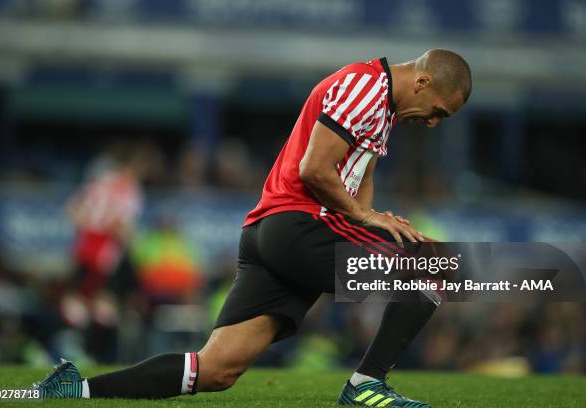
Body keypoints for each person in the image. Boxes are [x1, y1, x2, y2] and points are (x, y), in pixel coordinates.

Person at [34, 49, 471, 407]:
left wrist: (374, 220)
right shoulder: (364, 86)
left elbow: (360, 177)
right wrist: (365, 219)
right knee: (436, 265)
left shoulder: (382, 106)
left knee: (217, 369)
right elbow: (315, 170)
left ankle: (77, 389)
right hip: (299, 223)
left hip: (272, 231)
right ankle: (365, 385)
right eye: (437, 111)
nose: (432, 122)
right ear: (422, 82)